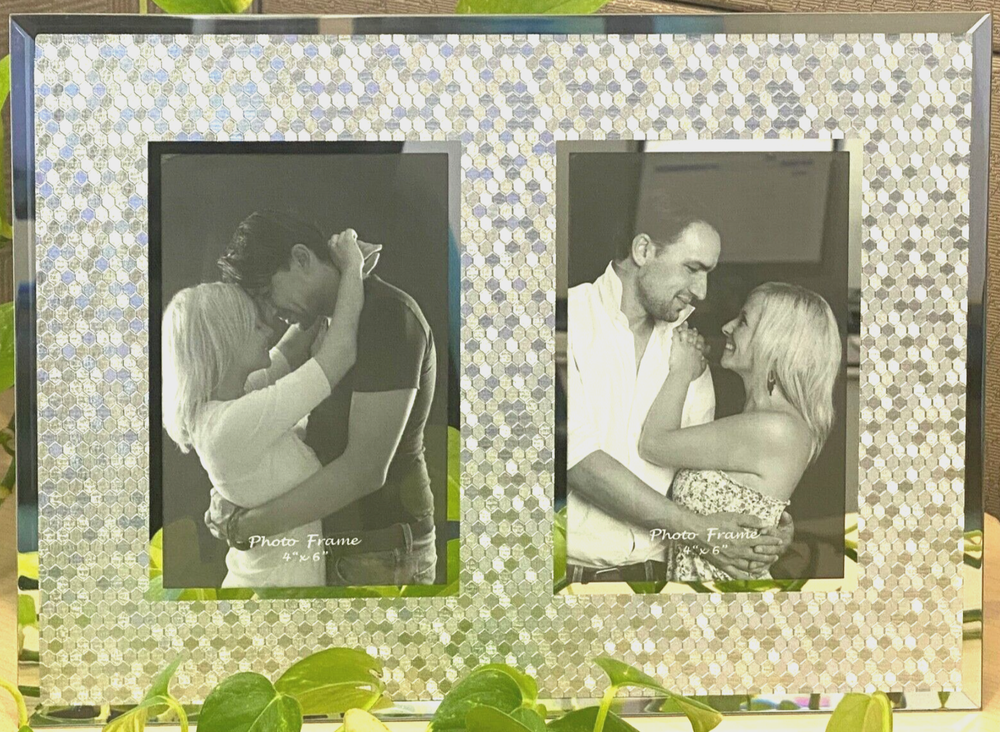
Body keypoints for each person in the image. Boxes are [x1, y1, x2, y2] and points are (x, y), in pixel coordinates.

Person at [204, 211, 439, 586]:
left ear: (301, 258)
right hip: (335, 546)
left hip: (379, 552)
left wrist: (246, 525)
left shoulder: (387, 316)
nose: (272, 312)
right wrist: (238, 492)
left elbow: (364, 470)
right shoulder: (322, 321)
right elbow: (271, 399)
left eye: (268, 293)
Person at [565, 202, 793, 583]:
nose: (702, 292)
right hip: (568, 582)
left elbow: (698, 479)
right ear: (643, 250)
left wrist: (763, 527)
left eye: (707, 274)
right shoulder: (566, 320)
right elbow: (579, 463)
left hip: (661, 585)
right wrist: (699, 532)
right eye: (692, 269)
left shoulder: (688, 355)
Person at [161, 234, 365, 588]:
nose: (268, 329)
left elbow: (292, 346)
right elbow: (339, 354)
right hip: (269, 599)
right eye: (253, 325)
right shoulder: (231, 424)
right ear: (225, 343)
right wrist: (352, 267)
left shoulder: (228, 402)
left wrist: (320, 290)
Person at [638, 283, 842, 581]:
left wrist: (681, 371)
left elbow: (653, 445)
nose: (727, 327)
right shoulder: (762, 421)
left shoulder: (776, 428)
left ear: (776, 342)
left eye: (743, 321)